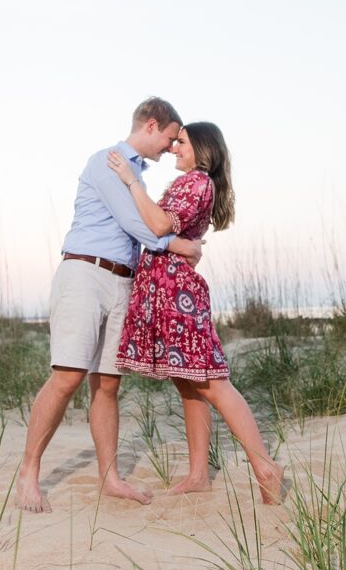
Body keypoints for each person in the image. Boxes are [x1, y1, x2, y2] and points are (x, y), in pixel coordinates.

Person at [16, 97, 204, 513]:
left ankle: (110, 478)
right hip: (85, 273)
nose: (172, 147)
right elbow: (135, 224)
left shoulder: (135, 173)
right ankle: (29, 471)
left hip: (123, 281)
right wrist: (180, 244)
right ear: (152, 126)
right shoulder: (108, 160)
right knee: (67, 377)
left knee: (107, 385)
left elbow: (141, 228)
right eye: (172, 138)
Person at [107, 122, 284, 504]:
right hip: (166, 292)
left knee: (211, 382)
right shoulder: (193, 183)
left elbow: (157, 224)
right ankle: (200, 474)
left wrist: (130, 180)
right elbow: (164, 231)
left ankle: (265, 467)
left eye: (181, 143)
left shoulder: (197, 182)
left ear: (202, 149)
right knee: (189, 384)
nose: (173, 148)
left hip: (177, 295)